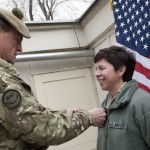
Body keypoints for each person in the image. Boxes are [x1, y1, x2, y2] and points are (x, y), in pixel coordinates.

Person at [0, 8, 107, 150]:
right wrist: (88, 117)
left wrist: (66, 114)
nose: (20, 49)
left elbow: (30, 115)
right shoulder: (2, 80)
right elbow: (44, 129)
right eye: (17, 40)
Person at [94, 45, 150, 150]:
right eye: (96, 69)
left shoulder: (143, 102)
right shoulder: (106, 106)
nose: (96, 74)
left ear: (121, 70)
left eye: (102, 68)